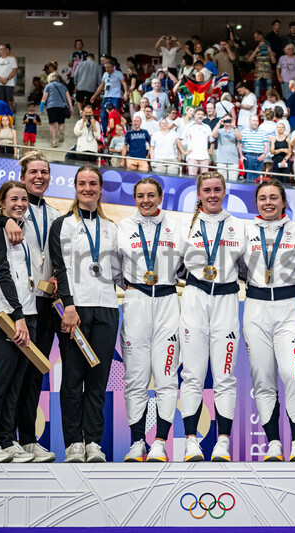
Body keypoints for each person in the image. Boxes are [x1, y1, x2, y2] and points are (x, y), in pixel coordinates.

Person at [0, 152, 59, 464]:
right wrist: (4, 218)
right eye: (32, 171)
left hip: (38, 306)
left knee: (24, 380)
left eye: (44, 172)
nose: (38, 177)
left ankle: (15, 441)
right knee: (1, 379)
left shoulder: (54, 213)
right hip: (9, 312)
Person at [50, 166, 120, 463]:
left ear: (101, 188)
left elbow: (119, 271)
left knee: (97, 380)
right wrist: (68, 304)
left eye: (93, 183)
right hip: (73, 312)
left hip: (107, 309)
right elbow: (59, 267)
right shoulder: (63, 225)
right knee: (72, 379)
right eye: (82, 183)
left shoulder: (112, 228)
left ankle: (92, 442)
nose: (88, 188)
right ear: (75, 187)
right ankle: (72, 444)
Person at [178, 172, 246, 462]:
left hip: (228, 300)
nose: (213, 195)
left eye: (218, 189)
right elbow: (174, 267)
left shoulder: (241, 226)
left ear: (225, 192)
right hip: (194, 299)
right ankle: (190, 441)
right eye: (207, 190)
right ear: (199, 193)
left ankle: (222, 442)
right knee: (192, 374)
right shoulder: (185, 225)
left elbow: (248, 268)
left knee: (225, 376)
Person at [242, 180, 295, 461]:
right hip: (255, 309)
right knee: (263, 380)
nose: (268, 202)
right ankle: (273, 443)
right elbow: (235, 267)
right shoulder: (245, 231)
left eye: (273, 198)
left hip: (289, 309)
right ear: (256, 203)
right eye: (262, 198)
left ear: (284, 202)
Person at [117, 177, 184, 462]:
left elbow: (186, 267)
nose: (146, 200)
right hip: (136, 303)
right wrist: (131, 287)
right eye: (140, 196)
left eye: (151, 195)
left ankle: (159, 442)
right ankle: (137, 442)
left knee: (167, 377)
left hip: (168, 302)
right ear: (134, 198)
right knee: (135, 379)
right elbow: (112, 267)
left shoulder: (177, 228)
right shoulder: (122, 228)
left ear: (160, 197)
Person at [0, 180, 38, 467]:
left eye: (24, 199)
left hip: (23, 314)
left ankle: (5, 440)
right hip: (1, 317)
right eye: (13, 199)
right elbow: (3, 276)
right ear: (1, 203)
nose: (20, 204)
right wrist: (18, 316)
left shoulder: (22, 229)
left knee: (14, 385)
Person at [92, 61, 127, 136]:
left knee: (115, 114)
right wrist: (94, 96)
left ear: (113, 67)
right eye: (105, 68)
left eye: (108, 67)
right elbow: (101, 86)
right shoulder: (105, 74)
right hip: (106, 96)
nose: (106, 69)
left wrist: (126, 93)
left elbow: (124, 83)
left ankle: (116, 131)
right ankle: (106, 132)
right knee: (102, 115)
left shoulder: (118, 74)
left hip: (115, 97)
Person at [40, 72, 73, 148]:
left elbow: (44, 98)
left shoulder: (48, 86)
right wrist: (71, 108)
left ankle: (54, 141)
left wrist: (41, 109)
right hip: (62, 106)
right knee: (61, 123)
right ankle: (61, 131)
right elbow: (68, 98)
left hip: (51, 107)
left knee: (52, 124)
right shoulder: (63, 86)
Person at [178, 107, 212, 177]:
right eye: (198, 114)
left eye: (202, 114)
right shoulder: (188, 126)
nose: (200, 116)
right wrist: (184, 152)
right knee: (192, 178)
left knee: (205, 179)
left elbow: (212, 141)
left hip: (204, 156)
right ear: (194, 115)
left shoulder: (206, 127)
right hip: (192, 156)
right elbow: (179, 140)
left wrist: (211, 150)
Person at [210, 114, 241, 180]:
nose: (227, 121)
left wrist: (234, 126)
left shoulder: (235, 130)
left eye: (228, 120)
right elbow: (213, 135)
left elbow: (240, 138)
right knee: (221, 182)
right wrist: (219, 124)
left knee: (233, 182)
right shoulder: (220, 131)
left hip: (233, 161)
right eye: (225, 120)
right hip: (221, 160)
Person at [240, 115, 270, 182]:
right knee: (249, 178)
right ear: (250, 122)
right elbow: (240, 145)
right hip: (248, 156)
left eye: (256, 121)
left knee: (258, 179)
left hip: (260, 157)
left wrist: (263, 155)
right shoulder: (244, 132)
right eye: (253, 121)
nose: (255, 122)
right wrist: (241, 156)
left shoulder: (263, 132)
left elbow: (266, 146)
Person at [248, 31, 276, 100]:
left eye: (256, 38)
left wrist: (270, 51)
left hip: (267, 73)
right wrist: (256, 50)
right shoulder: (256, 49)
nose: (255, 40)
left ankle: (269, 103)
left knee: (269, 89)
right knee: (257, 88)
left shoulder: (268, 47)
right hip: (258, 73)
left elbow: (274, 61)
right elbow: (249, 60)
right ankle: (257, 104)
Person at [0, 44, 18, 111]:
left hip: (9, 83)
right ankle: (0, 117)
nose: (2, 51)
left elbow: (14, 71)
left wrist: (6, 79)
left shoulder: (12, 59)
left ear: (7, 50)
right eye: (0, 49)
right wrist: (1, 79)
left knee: (9, 101)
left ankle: (11, 118)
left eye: (3, 49)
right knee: (0, 101)